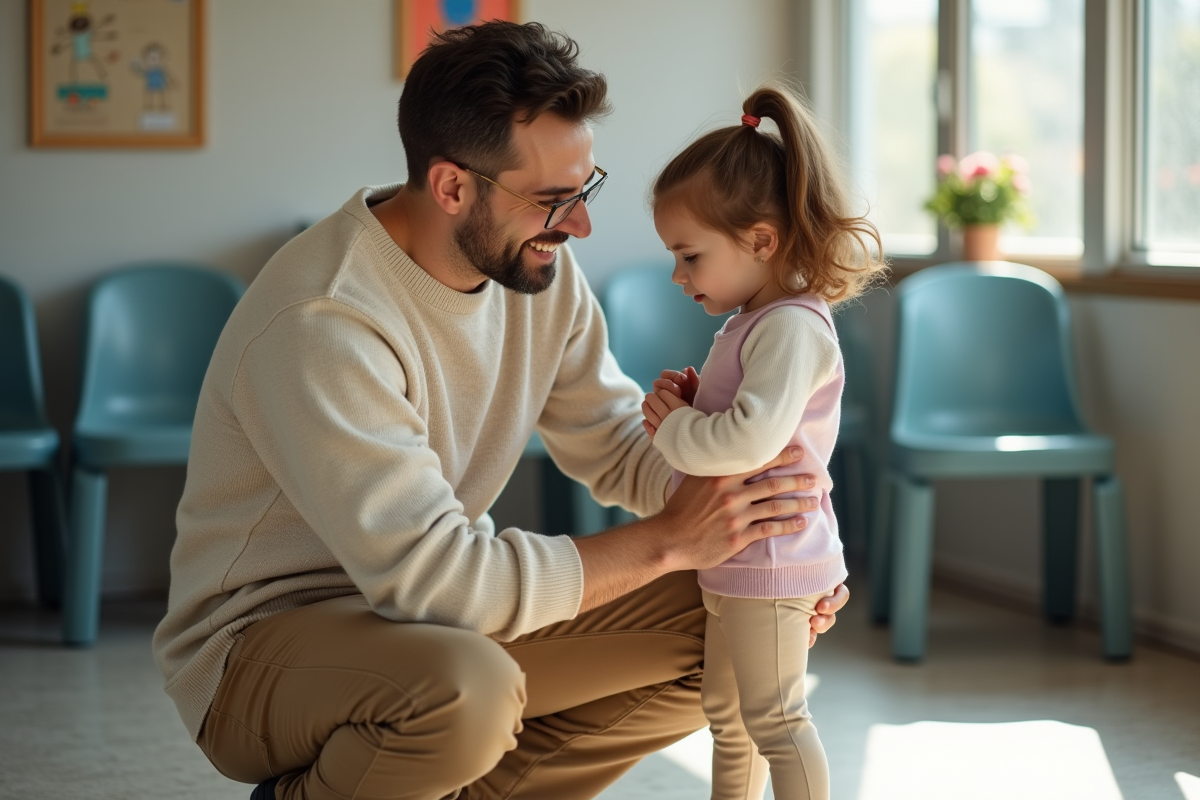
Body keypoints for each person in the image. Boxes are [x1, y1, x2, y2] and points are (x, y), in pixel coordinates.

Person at [151, 23, 850, 800]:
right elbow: (442, 582)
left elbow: (619, 447)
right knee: (466, 690)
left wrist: (772, 561)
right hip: (261, 650)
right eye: (554, 200)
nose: (579, 225)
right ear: (452, 187)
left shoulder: (537, 272)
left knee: (733, 626)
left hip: (423, 620)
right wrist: (665, 543)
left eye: (584, 190)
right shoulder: (326, 320)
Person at [639, 85, 886, 800]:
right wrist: (695, 406)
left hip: (771, 558)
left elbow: (748, 440)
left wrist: (674, 428)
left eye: (689, 256)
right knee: (727, 715)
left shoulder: (791, 326)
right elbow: (746, 417)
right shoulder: (760, 321)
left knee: (776, 718)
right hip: (740, 556)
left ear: (760, 241)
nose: (678, 277)